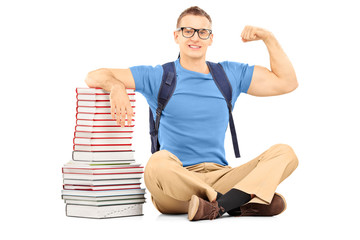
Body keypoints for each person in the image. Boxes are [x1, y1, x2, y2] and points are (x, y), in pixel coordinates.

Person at [85, 6, 299, 221]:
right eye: (188, 31)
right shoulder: (158, 76)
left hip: (220, 175)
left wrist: (268, 38)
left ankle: (218, 205)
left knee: (284, 153)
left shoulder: (229, 75)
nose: (195, 37)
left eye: (202, 32)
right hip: (174, 183)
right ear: (176, 35)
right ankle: (234, 203)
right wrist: (116, 86)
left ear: (211, 39)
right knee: (157, 163)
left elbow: (287, 82)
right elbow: (95, 75)